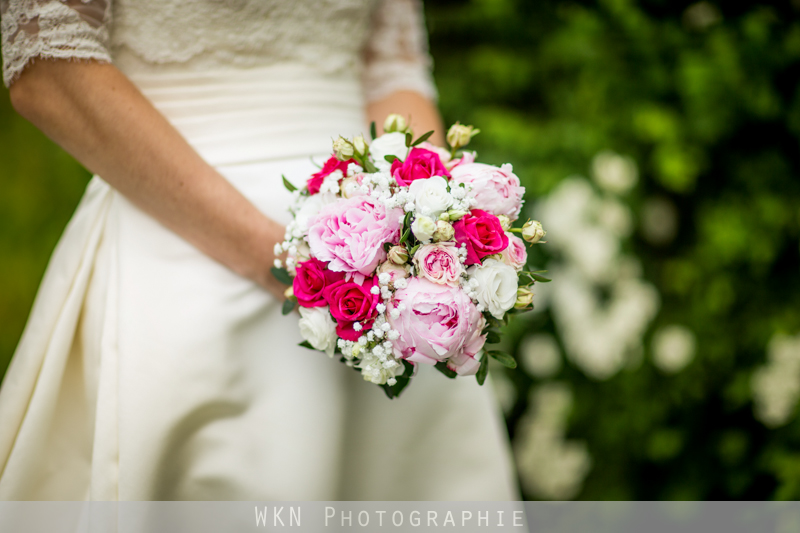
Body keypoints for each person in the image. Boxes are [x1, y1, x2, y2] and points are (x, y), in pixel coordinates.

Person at [0, 0, 518, 500]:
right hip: (181, 234)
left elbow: (391, 69)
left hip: (392, 290)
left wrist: (434, 226)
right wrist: (287, 263)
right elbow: (47, 64)